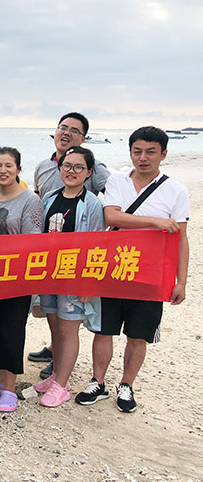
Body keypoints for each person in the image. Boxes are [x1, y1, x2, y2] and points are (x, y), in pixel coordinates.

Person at [75, 126, 189, 413]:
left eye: (151, 152)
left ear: (164, 154)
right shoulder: (118, 180)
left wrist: (181, 281)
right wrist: (155, 222)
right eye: (137, 151)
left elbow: (181, 239)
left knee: (138, 335)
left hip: (150, 273)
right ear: (130, 152)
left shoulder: (176, 190)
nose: (143, 158)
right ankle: (98, 382)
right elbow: (112, 216)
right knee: (104, 330)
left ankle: (126, 385)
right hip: (112, 268)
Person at [29, 112, 110, 379]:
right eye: (67, 166)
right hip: (49, 271)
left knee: (68, 328)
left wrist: (89, 280)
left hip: (75, 273)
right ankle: (56, 372)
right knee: (54, 323)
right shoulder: (49, 194)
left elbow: (97, 243)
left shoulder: (92, 203)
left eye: (78, 168)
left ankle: (61, 382)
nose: (71, 171)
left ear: (88, 172)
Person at [0, 147, 43, 412]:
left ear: (18, 169)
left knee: (12, 329)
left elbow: (32, 239)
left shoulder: (30, 199)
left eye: (8, 165)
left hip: (17, 276)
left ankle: (9, 388)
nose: (2, 170)